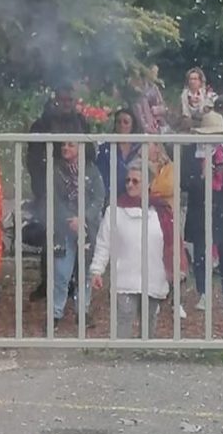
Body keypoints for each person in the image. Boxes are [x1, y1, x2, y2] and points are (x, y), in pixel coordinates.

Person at [89, 163, 171, 338]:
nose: (130, 185)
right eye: (127, 180)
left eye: (136, 181)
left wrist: (176, 269)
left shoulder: (161, 211)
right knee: (124, 317)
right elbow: (104, 243)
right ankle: (122, 356)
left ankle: (145, 355)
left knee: (149, 319)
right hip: (125, 275)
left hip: (154, 274)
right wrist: (97, 270)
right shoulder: (114, 211)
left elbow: (172, 244)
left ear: (148, 184)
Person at [26, 84, 91, 301]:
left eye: (69, 100)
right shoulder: (42, 125)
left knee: (79, 235)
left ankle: (74, 283)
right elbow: (33, 160)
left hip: (77, 188)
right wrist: (41, 187)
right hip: (50, 188)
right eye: (62, 100)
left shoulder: (81, 123)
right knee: (51, 237)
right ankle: (49, 282)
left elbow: (89, 153)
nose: (66, 104)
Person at [183, 110, 223, 314]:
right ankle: (203, 294)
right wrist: (202, 175)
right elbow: (184, 182)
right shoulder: (190, 152)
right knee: (201, 254)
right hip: (200, 207)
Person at [50, 141, 104, 325]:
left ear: (81, 149)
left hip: (87, 230)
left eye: (71, 145)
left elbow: (99, 198)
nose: (65, 148)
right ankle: (55, 313)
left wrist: (83, 218)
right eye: (64, 145)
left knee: (86, 273)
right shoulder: (56, 171)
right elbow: (53, 199)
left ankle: (82, 312)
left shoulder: (92, 171)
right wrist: (69, 218)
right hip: (63, 230)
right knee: (61, 273)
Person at [95, 108, 141, 200]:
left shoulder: (139, 148)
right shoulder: (105, 149)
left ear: (132, 126)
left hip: (137, 200)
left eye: (126, 122)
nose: (122, 125)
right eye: (118, 122)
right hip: (110, 200)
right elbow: (101, 178)